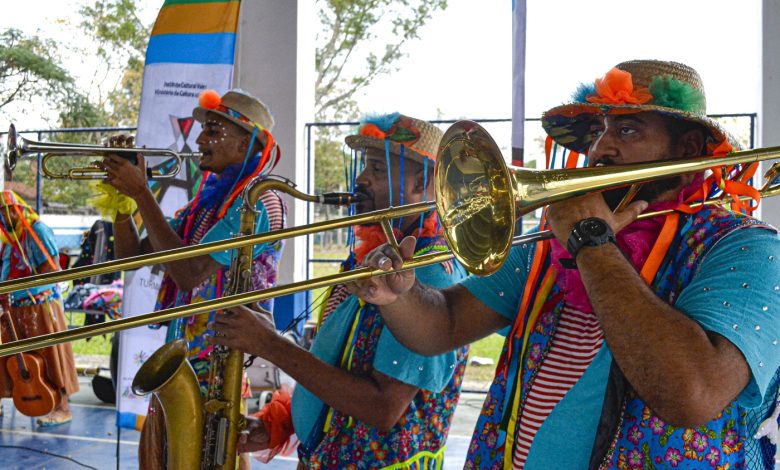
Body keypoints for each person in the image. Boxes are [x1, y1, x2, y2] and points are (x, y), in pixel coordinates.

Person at [351, 60, 780, 469]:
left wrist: (591, 243)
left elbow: (692, 395)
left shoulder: (745, 248)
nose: (601, 148)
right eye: (597, 131)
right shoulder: (553, 242)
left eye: (627, 130)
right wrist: (398, 295)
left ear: (686, 151)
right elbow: (442, 325)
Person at [213, 113, 470, 468]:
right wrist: (287, 420)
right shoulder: (368, 258)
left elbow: (382, 408)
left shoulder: (428, 275)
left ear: (421, 186)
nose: (361, 178)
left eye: (378, 170)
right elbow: (338, 363)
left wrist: (269, 345)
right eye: (365, 167)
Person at [102, 89, 287, 470]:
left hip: (218, 366)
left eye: (213, 130)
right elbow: (130, 258)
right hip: (186, 360)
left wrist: (142, 193)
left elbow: (187, 274)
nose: (200, 139)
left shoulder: (257, 201)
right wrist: (124, 202)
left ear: (245, 141)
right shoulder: (207, 201)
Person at [0, 190, 79, 426]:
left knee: (50, 356)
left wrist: (22, 286)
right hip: (13, 307)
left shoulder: (38, 231)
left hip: (41, 305)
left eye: (10, 209)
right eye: (1, 212)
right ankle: (12, 400)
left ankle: (63, 408)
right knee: (11, 358)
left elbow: (52, 269)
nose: (6, 215)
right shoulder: (8, 240)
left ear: (20, 208)